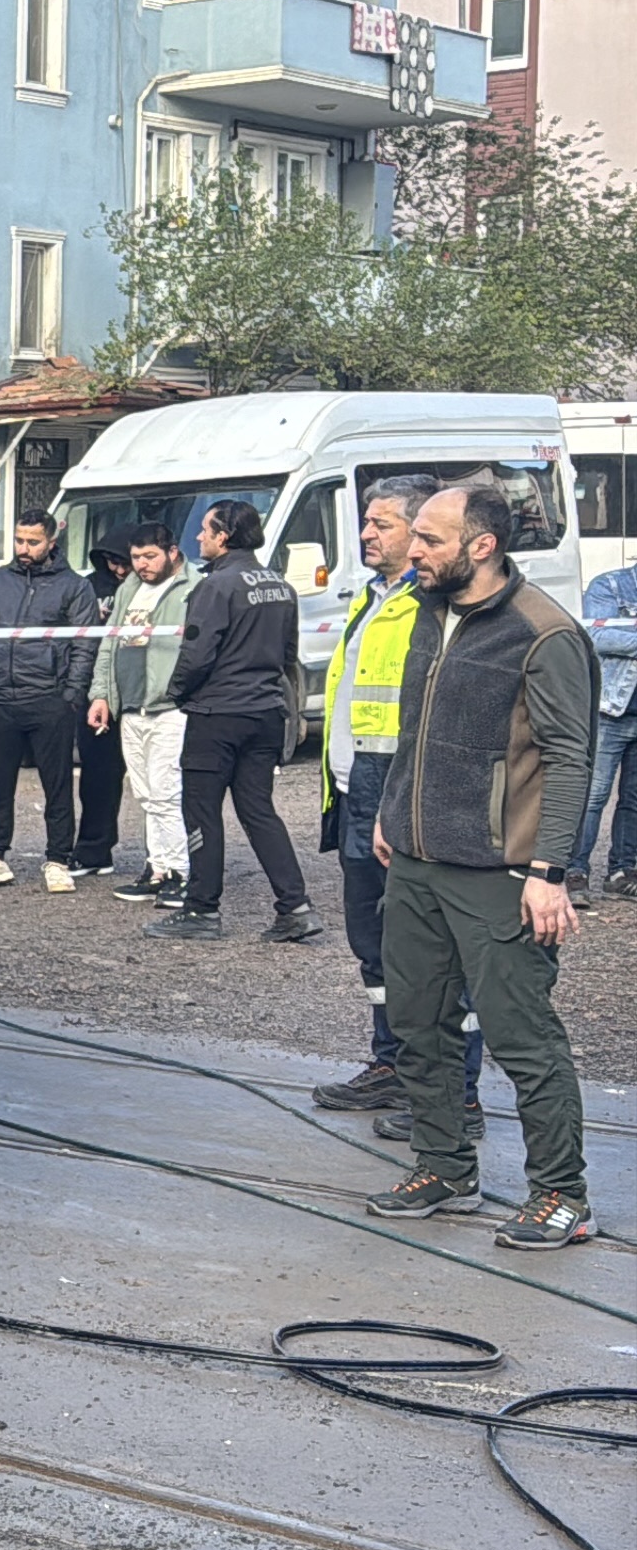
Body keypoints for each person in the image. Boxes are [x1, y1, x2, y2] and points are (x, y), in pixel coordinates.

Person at [363, 481, 598, 1251]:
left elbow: (570, 759)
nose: (414, 549)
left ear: (483, 546)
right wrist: (395, 814)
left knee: (521, 1034)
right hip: (420, 863)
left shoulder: (544, 633)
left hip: (502, 873)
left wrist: (550, 870)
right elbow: (413, 728)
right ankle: (443, 1167)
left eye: (429, 538)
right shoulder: (429, 610)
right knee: (417, 1024)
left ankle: (561, 1195)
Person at [308, 475, 485, 1131]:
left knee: (434, 952)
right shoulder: (376, 595)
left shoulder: (438, 601)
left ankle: (453, 1094)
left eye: (381, 523)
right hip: (358, 790)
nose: (365, 534)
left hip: (405, 794)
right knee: (376, 946)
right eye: (368, 522)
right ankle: (393, 1064)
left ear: (421, 530)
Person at [143, 499, 317, 944]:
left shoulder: (215, 586)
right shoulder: (281, 586)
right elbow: (288, 655)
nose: (198, 537)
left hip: (217, 713)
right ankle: (295, 906)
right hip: (264, 711)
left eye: (205, 530)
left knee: (201, 811)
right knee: (259, 811)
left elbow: (197, 652)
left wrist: (177, 691)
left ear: (224, 536)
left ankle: (201, 909)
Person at [0, 510, 101, 893]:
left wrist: (70, 695)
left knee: (56, 785)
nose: (24, 549)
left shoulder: (75, 586)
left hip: (49, 698)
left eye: (33, 542)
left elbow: (84, 644)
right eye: (19, 540)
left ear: (51, 542)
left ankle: (58, 858)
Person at [88, 525, 195, 908]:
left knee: (167, 793)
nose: (142, 565)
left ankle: (181, 874)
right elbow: (109, 643)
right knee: (146, 794)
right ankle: (158, 869)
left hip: (171, 707)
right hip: (131, 706)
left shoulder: (193, 588)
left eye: (150, 557)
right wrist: (100, 694)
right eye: (136, 558)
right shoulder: (128, 589)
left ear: (171, 552)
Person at [563, 553, 637, 907]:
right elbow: (594, 635)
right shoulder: (610, 585)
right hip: (611, 711)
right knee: (593, 796)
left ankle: (622, 873)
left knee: (634, 801)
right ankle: (575, 872)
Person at [72, 534, 133, 878]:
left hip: (139, 693)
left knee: (158, 784)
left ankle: (166, 860)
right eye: (111, 562)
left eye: (123, 561)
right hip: (96, 693)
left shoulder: (151, 588)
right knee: (98, 777)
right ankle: (94, 850)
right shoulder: (87, 587)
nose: (118, 569)